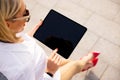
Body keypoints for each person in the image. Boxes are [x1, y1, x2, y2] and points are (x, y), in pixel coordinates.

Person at [0, 0, 100, 80]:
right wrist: (50, 72)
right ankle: (88, 60)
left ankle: (85, 64)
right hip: (45, 75)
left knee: (67, 61)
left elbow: (16, 40)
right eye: (24, 14)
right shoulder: (19, 70)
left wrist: (30, 34)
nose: (27, 17)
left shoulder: (5, 32)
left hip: (41, 63)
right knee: (75, 65)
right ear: (7, 24)